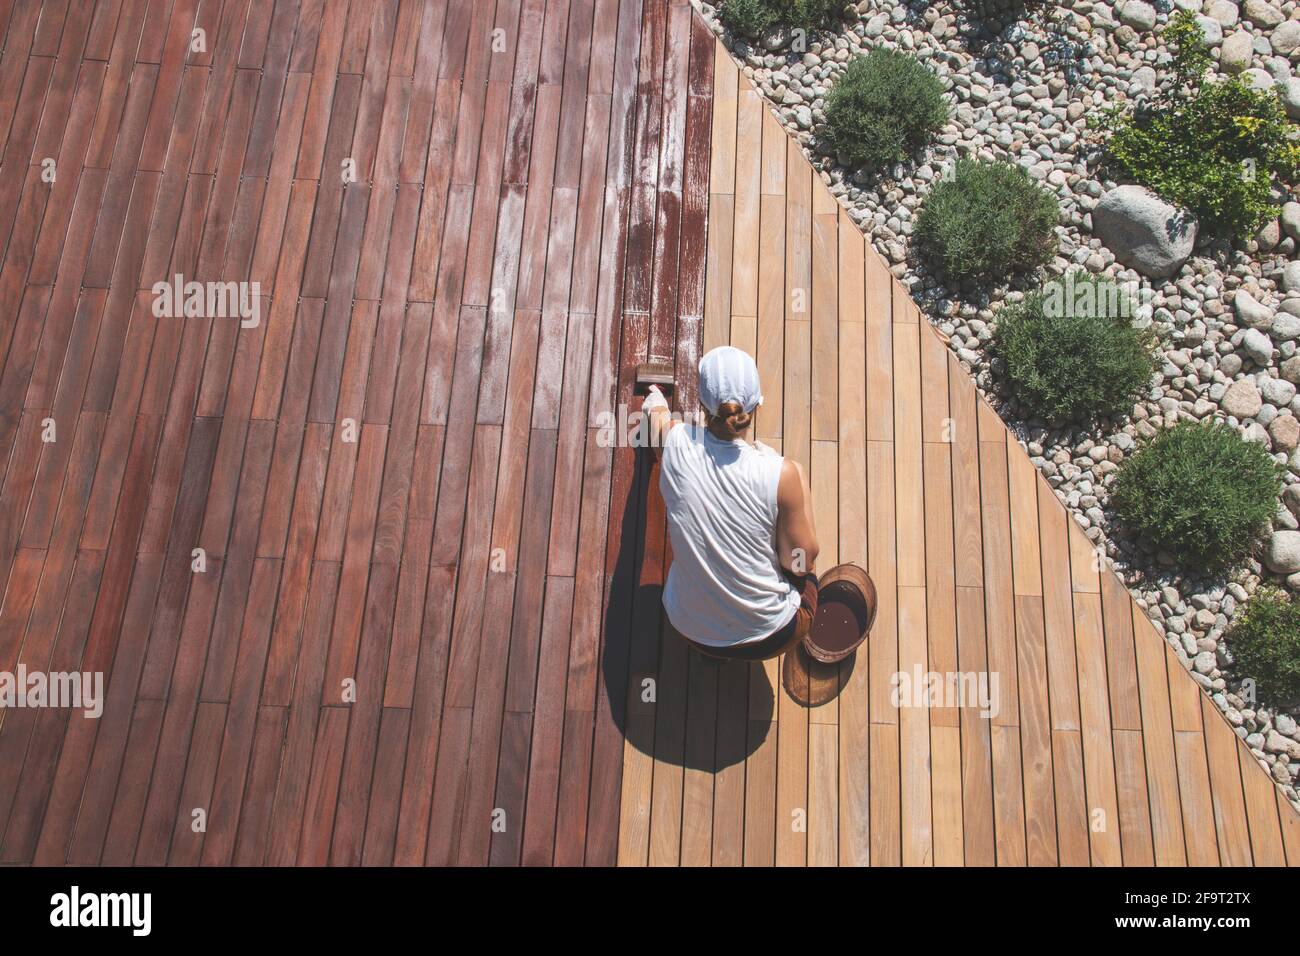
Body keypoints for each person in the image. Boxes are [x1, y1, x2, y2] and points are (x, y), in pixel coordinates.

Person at [643, 346, 865, 662]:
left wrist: (655, 399)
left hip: (690, 629)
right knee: (805, 553)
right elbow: (800, 562)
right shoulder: (783, 474)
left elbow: (656, 418)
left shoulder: (676, 443)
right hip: (772, 635)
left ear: (704, 406)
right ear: (756, 406)